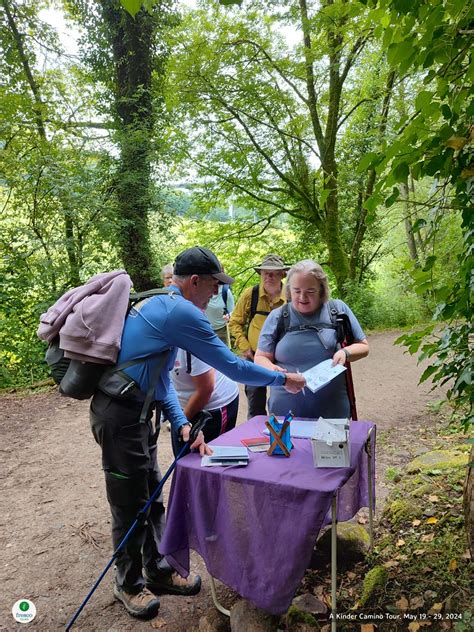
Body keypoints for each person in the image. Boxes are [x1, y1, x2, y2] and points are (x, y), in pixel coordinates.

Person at [89, 246, 305, 620]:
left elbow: (159, 379)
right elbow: (234, 368)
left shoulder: (163, 307)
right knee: (129, 503)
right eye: (214, 284)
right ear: (194, 282)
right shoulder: (181, 311)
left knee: (152, 495)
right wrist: (283, 378)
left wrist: (181, 421)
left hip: (137, 415)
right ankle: (127, 584)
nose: (217, 291)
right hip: (119, 416)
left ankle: (156, 570)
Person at [254, 259, 369, 418]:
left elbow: (363, 346)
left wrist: (345, 353)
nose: (302, 297)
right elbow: (260, 357)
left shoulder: (337, 310)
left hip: (333, 412)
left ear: (322, 289)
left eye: (310, 291)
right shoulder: (278, 316)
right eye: (296, 290)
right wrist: (279, 374)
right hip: (285, 414)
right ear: (288, 290)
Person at [228, 253, 289, 418]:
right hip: (254, 358)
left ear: (282, 274)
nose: (269, 276)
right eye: (265, 272)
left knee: (283, 406)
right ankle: (258, 440)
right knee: (255, 408)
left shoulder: (291, 297)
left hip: (283, 360)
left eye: (274, 272)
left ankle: (281, 439)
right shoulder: (251, 294)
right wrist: (244, 347)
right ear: (260, 274)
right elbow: (234, 322)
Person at [170, 348, 239, 455]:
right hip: (182, 403)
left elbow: (205, 389)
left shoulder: (191, 339)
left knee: (208, 459)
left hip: (213, 405)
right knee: (182, 457)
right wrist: (180, 423)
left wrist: (182, 422)